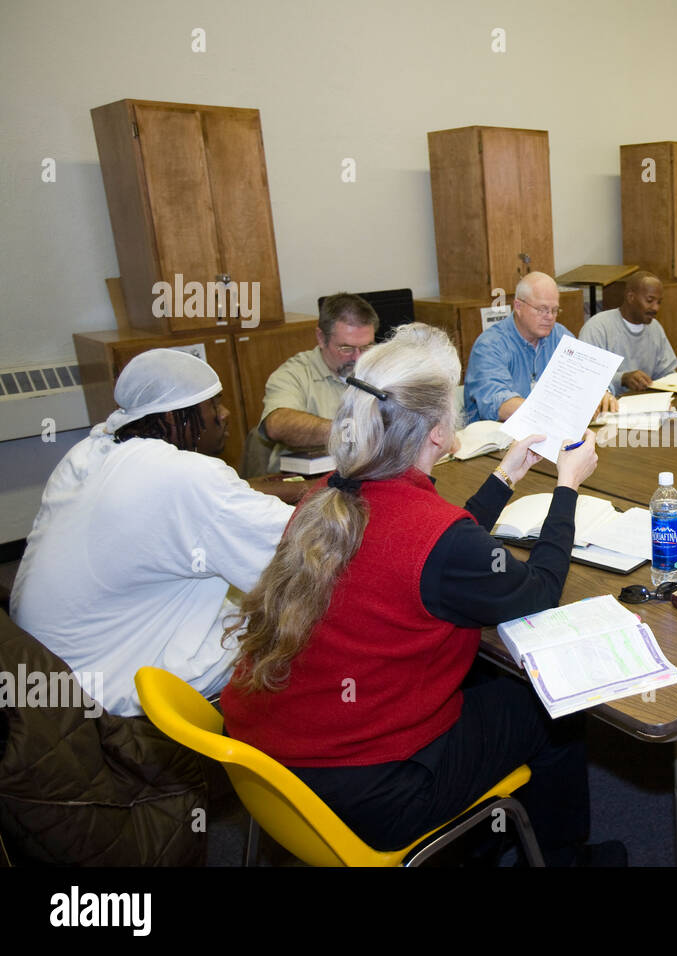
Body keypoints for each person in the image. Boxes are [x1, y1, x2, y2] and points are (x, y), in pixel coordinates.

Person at [220, 323, 624, 866]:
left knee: (481, 672)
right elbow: (539, 592)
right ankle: (560, 855)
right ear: (439, 432)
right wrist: (567, 486)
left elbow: (437, 541)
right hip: (373, 792)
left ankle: (486, 835)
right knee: (550, 700)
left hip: (272, 762)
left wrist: (505, 475)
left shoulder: (327, 497)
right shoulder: (436, 537)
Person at [10, 349, 294, 717]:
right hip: (113, 687)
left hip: (49, 671)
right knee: (294, 615)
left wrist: (286, 491)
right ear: (177, 416)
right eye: (214, 404)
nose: (225, 415)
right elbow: (299, 548)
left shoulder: (88, 451)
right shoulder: (187, 476)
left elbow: (200, 507)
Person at [464, 272, 617, 423]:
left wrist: (601, 392)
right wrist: (556, 413)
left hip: (547, 433)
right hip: (496, 439)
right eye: (541, 309)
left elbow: (589, 374)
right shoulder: (490, 345)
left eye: (554, 310)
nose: (549, 316)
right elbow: (498, 404)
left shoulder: (559, 336)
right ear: (518, 306)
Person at [259, 292, 379, 472]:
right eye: (346, 348)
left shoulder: (379, 368)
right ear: (321, 338)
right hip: (302, 485)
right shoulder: (294, 374)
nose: (358, 357)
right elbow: (277, 424)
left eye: (366, 347)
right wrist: (350, 432)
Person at [578, 271, 677, 395]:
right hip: (609, 404)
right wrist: (622, 379)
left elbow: (667, 372)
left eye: (659, 302)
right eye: (650, 300)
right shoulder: (598, 327)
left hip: (648, 401)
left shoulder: (655, 328)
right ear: (631, 297)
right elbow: (585, 375)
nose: (656, 308)